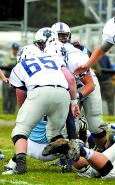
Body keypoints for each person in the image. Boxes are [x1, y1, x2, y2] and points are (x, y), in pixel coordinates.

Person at [8, 29, 78, 174]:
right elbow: (70, 79)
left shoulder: (21, 65)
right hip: (63, 94)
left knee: (20, 130)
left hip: (40, 93)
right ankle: (68, 161)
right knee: (55, 134)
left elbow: (20, 94)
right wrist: (74, 102)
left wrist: (25, 114)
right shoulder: (53, 59)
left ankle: (20, 165)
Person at [51, 22, 107, 151]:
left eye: (64, 36)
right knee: (67, 128)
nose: (61, 39)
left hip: (85, 86)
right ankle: (68, 157)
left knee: (95, 126)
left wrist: (74, 98)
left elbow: (90, 84)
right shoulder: (48, 53)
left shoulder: (76, 56)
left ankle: (103, 151)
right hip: (71, 89)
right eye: (58, 36)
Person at [2, 42, 19, 114]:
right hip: (7, 77)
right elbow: (6, 65)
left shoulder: (19, 57)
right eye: (14, 49)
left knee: (13, 95)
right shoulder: (7, 56)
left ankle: (12, 111)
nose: (15, 50)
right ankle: (5, 110)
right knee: (6, 95)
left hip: (15, 79)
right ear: (12, 49)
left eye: (16, 49)